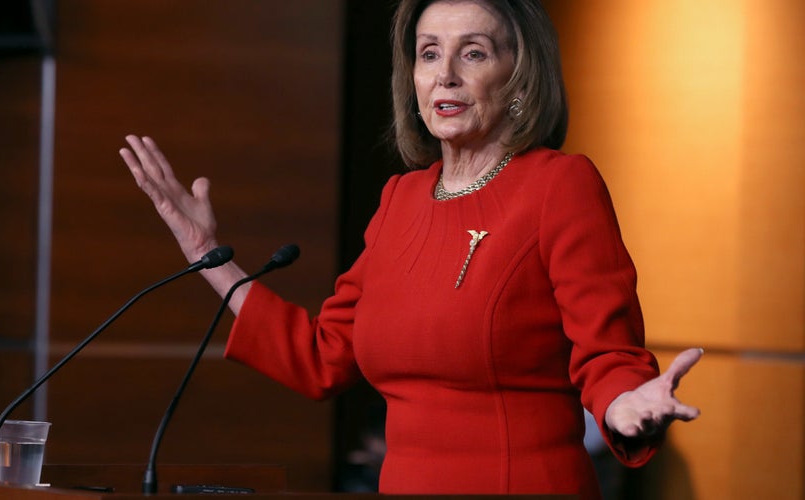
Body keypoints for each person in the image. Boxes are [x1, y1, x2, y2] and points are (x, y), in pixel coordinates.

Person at [119, 1, 702, 498]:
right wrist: (207, 252)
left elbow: (607, 352)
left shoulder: (558, 185)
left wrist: (623, 403)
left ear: (520, 78)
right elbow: (323, 356)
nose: (445, 74)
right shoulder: (401, 198)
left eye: (473, 52)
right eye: (428, 53)